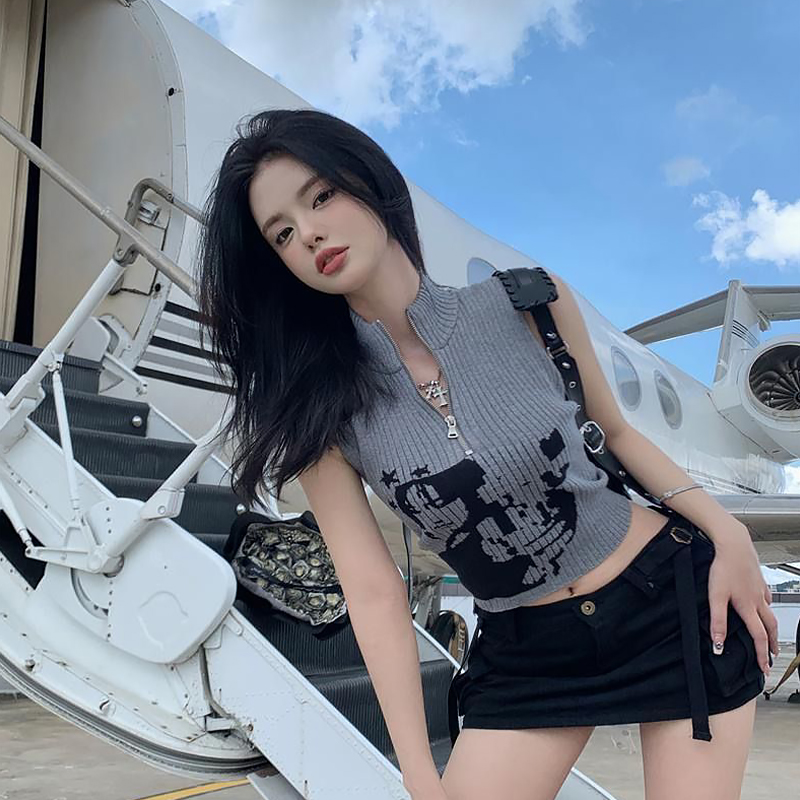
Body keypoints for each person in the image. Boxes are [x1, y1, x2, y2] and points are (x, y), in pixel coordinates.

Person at [195, 108, 780, 800]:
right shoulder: (318, 410)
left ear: (369, 181)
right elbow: (373, 589)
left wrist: (727, 531)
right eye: (283, 234)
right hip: (527, 653)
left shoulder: (529, 304)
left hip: (670, 603)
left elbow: (617, 435)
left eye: (320, 196)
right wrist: (418, 767)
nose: (310, 233)